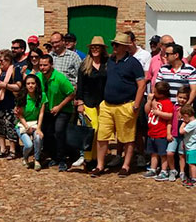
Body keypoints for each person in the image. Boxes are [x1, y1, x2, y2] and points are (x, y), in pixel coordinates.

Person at [92, 32, 145, 178]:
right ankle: (100, 165)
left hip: (125, 105)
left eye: (117, 45)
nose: (114, 47)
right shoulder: (110, 60)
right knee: (102, 136)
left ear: (125, 47)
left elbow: (141, 85)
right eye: (113, 44)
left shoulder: (133, 63)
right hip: (107, 105)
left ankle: (126, 165)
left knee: (127, 137)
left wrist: (136, 104)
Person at [37, 52, 76, 171]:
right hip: (48, 110)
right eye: (41, 65)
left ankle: (63, 160)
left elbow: (72, 94)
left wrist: (59, 107)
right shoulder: (39, 77)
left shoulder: (60, 78)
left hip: (63, 109)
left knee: (59, 132)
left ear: (51, 65)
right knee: (48, 134)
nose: (43, 68)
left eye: (45, 65)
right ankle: (54, 156)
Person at [75, 36, 108, 170]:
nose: (95, 49)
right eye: (93, 47)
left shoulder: (107, 63)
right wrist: (80, 102)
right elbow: (80, 85)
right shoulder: (85, 64)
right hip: (88, 101)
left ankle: (96, 158)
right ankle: (87, 158)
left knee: (101, 131)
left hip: (103, 102)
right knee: (91, 129)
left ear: (102, 49)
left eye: (97, 47)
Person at [144, 81, 174, 180]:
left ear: (161, 93)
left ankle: (164, 170)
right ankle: (153, 169)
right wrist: (149, 101)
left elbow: (170, 115)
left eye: (155, 91)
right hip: (151, 132)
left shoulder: (167, 103)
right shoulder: (154, 100)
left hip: (161, 133)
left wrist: (158, 112)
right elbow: (147, 110)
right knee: (153, 153)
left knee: (162, 154)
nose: (153, 92)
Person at [16, 74, 46, 170]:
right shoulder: (21, 97)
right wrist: (26, 127)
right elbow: (19, 115)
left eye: (33, 83)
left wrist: (38, 128)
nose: (30, 86)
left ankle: (37, 159)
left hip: (35, 122)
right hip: (22, 123)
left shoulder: (42, 96)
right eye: (28, 83)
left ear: (36, 84)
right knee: (29, 145)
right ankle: (25, 157)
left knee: (38, 137)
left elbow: (41, 113)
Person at [178, 104, 196, 187]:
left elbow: (181, 131)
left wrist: (183, 124)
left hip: (193, 148)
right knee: (190, 163)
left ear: (186, 116)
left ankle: (194, 180)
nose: (183, 119)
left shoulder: (192, 124)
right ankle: (191, 178)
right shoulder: (192, 122)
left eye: (183, 117)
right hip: (189, 147)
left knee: (192, 164)